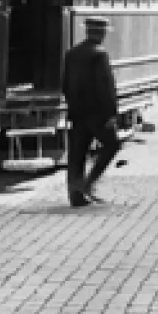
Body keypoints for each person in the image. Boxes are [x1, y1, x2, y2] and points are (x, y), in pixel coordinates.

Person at [62, 16, 122, 207]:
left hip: (78, 112)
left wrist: (72, 104)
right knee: (112, 144)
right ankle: (89, 183)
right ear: (102, 33)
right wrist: (111, 113)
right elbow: (106, 87)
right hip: (97, 113)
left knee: (77, 153)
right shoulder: (100, 54)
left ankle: (75, 194)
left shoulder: (71, 54)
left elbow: (64, 84)